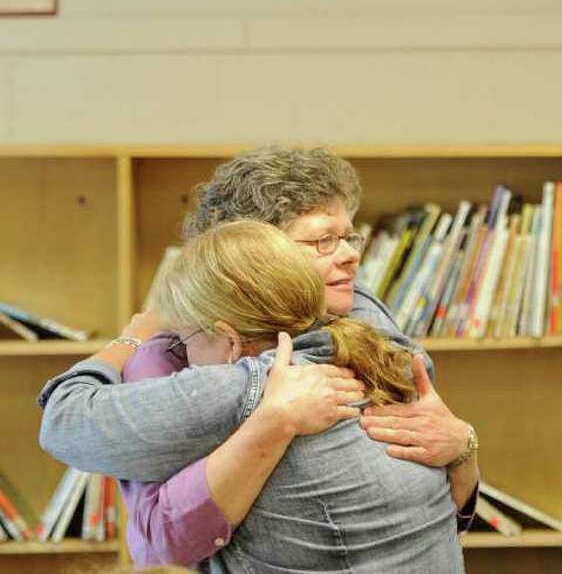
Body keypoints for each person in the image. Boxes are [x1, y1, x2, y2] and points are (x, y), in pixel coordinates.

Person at [93, 146, 477, 567]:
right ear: (254, 258)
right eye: (324, 240)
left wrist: (463, 447)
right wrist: (128, 344)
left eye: (349, 237)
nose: (351, 254)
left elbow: (439, 501)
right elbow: (160, 540)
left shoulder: (356, 307)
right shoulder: (172, 354)